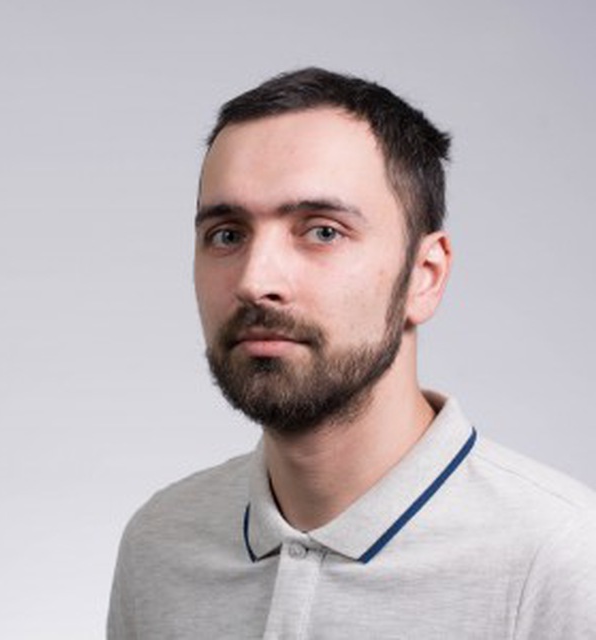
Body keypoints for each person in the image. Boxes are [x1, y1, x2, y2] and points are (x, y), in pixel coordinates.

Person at [108, 68, 596, 639]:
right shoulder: (159, 547)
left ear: (425, 275)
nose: (255, 281)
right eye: (227, 234)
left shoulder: (562, 559)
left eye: (322, 231)